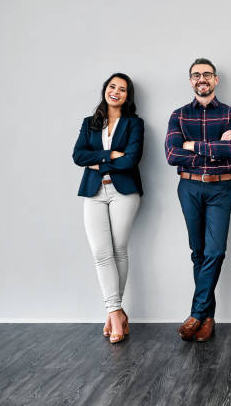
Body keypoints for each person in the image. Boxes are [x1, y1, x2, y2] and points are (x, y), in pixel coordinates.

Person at [165, 58, 231, 342]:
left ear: (216, 79)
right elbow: (172, 155)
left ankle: (196, 313)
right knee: (197, 252)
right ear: (190, 81)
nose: (202, 79)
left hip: (220, 188)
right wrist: (213, 148)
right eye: (197, 75)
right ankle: (208, 318)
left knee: (215, 251)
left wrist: (192, 145)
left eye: (207, 75)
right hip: (189, 187)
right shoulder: (179, 115)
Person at [72, 72, 144, 344]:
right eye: (112, 87)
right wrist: (110, 154)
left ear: (128, 96)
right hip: (93, 191)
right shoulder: (89, 123)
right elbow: (78, 155)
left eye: (122, 89)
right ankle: (115, 312)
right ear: (105, 90)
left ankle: (114, 313)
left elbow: (130, 161)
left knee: (118, 249)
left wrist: (98, 162)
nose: (116, 92)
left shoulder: (135, 124)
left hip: (124, 191)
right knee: (101, 253)